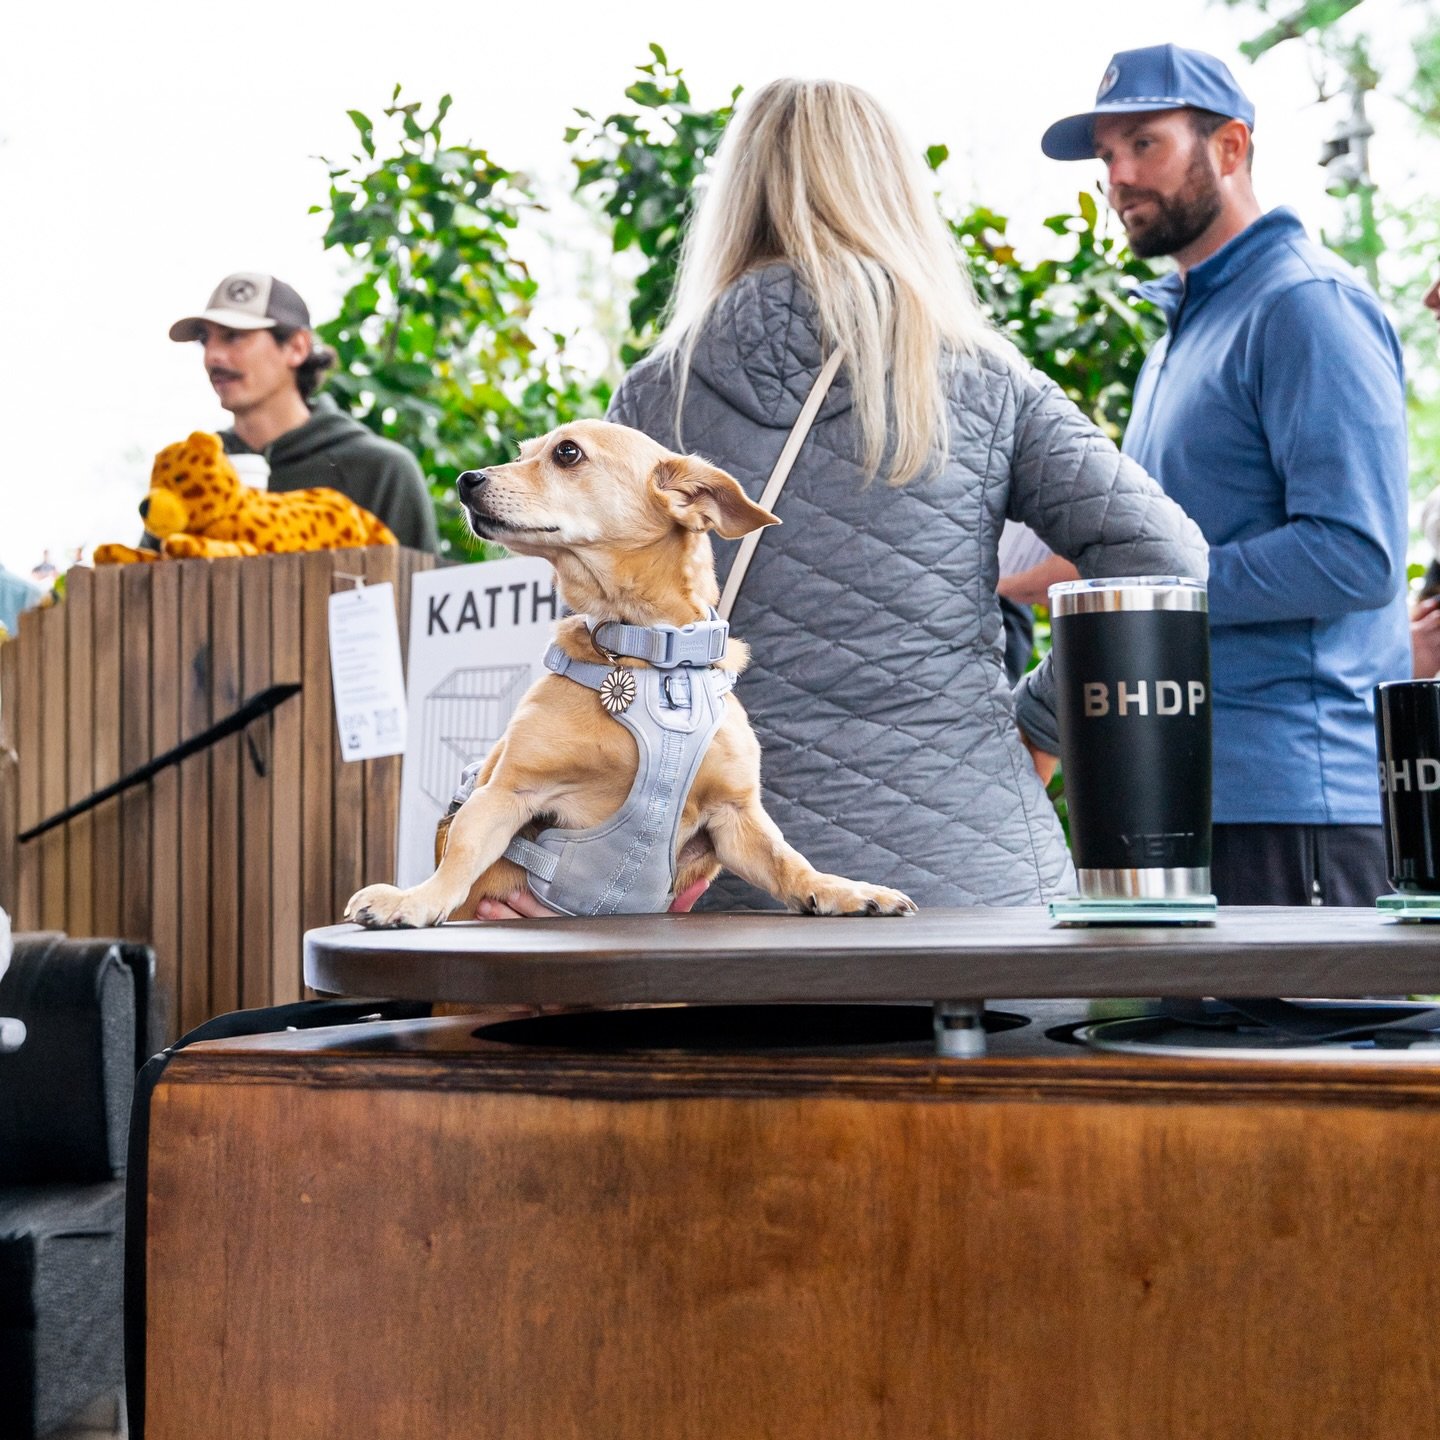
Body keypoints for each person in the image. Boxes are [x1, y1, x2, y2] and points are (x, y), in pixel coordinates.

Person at [582, 76, 1205, 912]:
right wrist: (1037, 724)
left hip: (726, 893)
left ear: (736, 198)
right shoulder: (978, 379)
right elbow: (1165, 555)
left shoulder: (655, 400)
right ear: (898, 194)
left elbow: (602, 650)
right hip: (975, 887)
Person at [1042, 43, 1411, 906]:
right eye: (1106, 156)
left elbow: (1354, 556)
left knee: (1290, 1046)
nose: (1119, 176)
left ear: (1231, 147)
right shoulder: (1184, 331)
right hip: (1189, 788)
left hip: (1299, 800)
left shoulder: (1305, 305)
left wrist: (1146, 596)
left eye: (1146, 145)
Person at [169, 273, 439, 553]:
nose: (212, 356)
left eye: (233, 337)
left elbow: (419, 593)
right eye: (204, 339)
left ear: (297, 347)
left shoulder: (382, 470)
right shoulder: (189, 470)